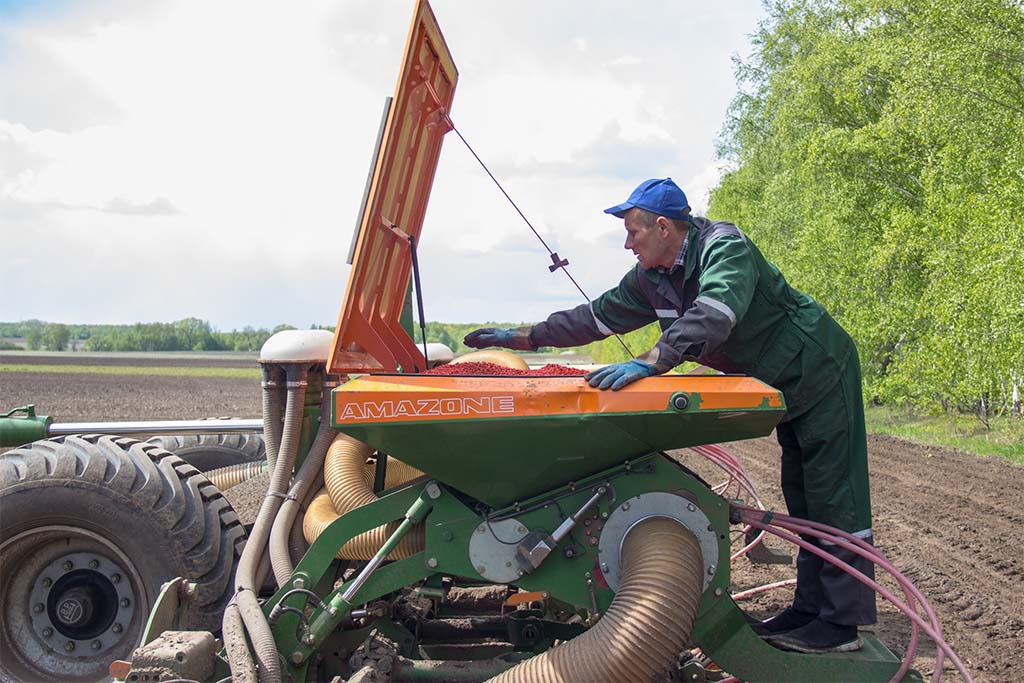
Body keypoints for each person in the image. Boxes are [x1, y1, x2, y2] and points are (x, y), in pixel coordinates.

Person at [463, 177, 876, 654]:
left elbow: (715, 313)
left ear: (663, 227)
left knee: (833, 492)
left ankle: (841, 624)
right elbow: (594, 318)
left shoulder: (724, 247)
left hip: (819, 367)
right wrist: (519, 337)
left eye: (633, 232)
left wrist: (651, 361)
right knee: (803, 494)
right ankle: (810, 610)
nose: (626, 243)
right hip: (783, 381)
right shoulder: (651, 278)